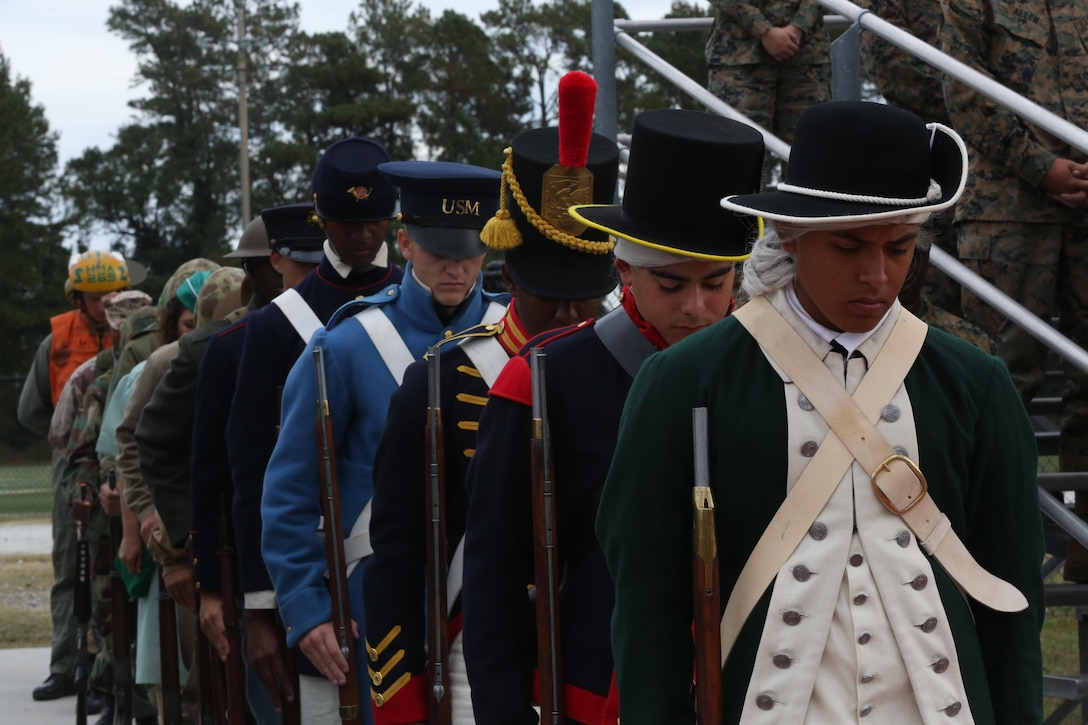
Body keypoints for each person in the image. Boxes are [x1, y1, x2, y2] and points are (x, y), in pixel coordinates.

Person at [599, 101, 1044, 723]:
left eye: (900, 248)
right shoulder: (686, 380)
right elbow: (648, 605)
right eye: (848, 246)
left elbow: (1013, 597)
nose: (878, 275)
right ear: (788, 233)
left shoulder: (974, 381)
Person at [460, 108, 765, 725]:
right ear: (623, 270)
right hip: (595, 698)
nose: (698, 307)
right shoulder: (546, 378)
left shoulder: (771, 371)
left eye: (715, 282)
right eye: (671, 284)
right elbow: (495, 575)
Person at [362, 70, 620, 724]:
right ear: (510, 270)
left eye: (583, 292)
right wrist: (400, 692)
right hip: (475, 658)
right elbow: (399, 553)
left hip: (611, 661)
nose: (566, 308)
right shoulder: (442, 379)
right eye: (546, 291)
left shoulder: (635, 368)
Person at [261, 160, 509, 725]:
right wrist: (306, 605)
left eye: (469, 251)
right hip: (381, 600)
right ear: (404, 243)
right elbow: (289, 490)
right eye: (438, 249)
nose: (456, 266)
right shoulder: (344, 346)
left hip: (489, 596)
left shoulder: (512, 335)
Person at [226, 139, 405, 713]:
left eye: (376, 219)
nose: (363, 235)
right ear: (321, 218)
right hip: (320, 581)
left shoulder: (422, 307)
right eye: (348, 222)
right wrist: (264, 608)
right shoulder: (278, 325)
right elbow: (256, 471)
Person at [940, 0, 1088, 582]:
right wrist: (1039, 165)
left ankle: (1082, 544)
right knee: (1001, 379)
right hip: (1009, 209)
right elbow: (965, 90)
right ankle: (987, 546)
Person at [190, 203, 327, 724]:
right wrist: (215, 588)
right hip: (267, 573)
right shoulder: (233, 348)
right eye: (304, 262)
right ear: (276, 264)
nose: (317, 274)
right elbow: (217, 478)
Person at [18, 250, 133, 706]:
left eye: (112, 294)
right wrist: (74, 434)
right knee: (70, 567)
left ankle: (106, 672)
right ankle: (65, 666)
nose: (106, 303)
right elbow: (31, 409)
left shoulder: (139, 328)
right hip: (73, 468)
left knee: (116, 566)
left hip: (122, 465)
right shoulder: (56, 340)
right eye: (95, 296)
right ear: (77, 297)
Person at [860, 0, 961, 314]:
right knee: (932, 296)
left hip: (1001, 162)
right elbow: (890, 63)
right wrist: (972, 103)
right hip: (930, 160)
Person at [705, 0, 829, 183]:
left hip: (806, 57)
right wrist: (763, 30)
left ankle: (800, 211)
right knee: (737, 156)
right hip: (740, 57)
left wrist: (798, 27)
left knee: (810, 156)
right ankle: (743, 212)